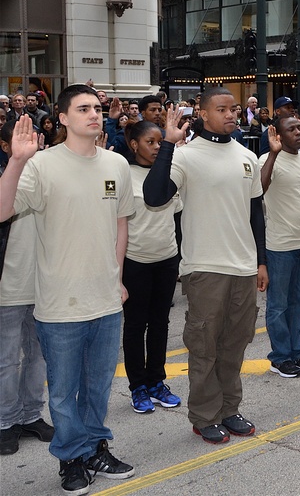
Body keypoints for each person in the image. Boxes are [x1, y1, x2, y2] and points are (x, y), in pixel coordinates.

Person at [0, 86, 137, 494]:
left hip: (106, 299)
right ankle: (71, 458)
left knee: (98, 387)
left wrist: (117, 278)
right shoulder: (41, 165)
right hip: (60, 303)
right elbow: (3, 210)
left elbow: (120, 225)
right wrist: (17, 161)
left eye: (97, 108)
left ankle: (95, 446)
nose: (94, 115)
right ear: (62, 117)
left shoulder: (116, 163)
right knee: (62, 392)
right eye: (83, 109)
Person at [143, 90, 267, 445]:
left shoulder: (246, 156)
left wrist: (261, 261)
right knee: (204, 346)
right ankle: (204, 416)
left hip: (243, 266)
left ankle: (229, 409)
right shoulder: (185, 156)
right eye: (222, 109)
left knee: (235, 344)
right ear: (202, 113)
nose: (230, 114)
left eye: (234, 109)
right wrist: (167, 144)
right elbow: (155, 195)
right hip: (205, 267)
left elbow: (255, 213)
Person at [0, 120, 55, 457]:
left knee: (38, 358)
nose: (31, 142)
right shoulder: (7, 180)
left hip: (43, 285)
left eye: (34, 136)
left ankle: (31, 414)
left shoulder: (50, 174)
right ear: (6, 147)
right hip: (7, 287)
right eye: (20, 138)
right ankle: (5, 421)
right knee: (6, 360)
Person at [121, 121, 183, 415]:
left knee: (160, 324)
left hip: (167, 259)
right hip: (135, 262)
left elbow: (178, 217)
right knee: (135, 326)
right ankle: (138, 387)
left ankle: (157, 382)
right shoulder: (123, 175)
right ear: (134, 145)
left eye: (161, 141)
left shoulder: (169, 174)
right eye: (151, 142)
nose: (158, 147)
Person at [259, 116, 300, 379]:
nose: (298, 132)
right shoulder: (265, 160)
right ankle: (280, 357)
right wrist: (273, 155)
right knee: (278, 305)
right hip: (279, 245)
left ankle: (296, 352)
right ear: (277, 134)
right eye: (291, 129)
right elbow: (258, 189)